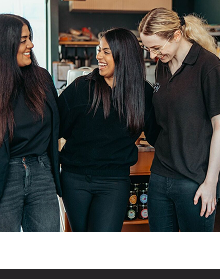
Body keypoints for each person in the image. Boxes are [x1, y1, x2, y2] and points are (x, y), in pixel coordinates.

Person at [0, 14, 62, 232]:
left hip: (42, 173)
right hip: (1, 180)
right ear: (3, 45)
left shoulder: (42, 79)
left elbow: (62, 124)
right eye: (24, 40)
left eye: (30, 38)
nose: (31, 45)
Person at [57, 27, 159, 232]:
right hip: (75, 179)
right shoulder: (81, 88)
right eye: (99, 50)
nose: (98, 56)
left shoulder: (142, 92)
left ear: (124, 56)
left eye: (106, 52)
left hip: (114, 182)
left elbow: (157, 135)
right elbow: (57, 128)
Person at [138, 7, 220, 232]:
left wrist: (211, 182)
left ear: (176, 35)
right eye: (148, 49)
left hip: (194, 181)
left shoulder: (208, 66)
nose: (152, 55)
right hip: (160, 177)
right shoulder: (162, 66)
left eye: (156, 48)